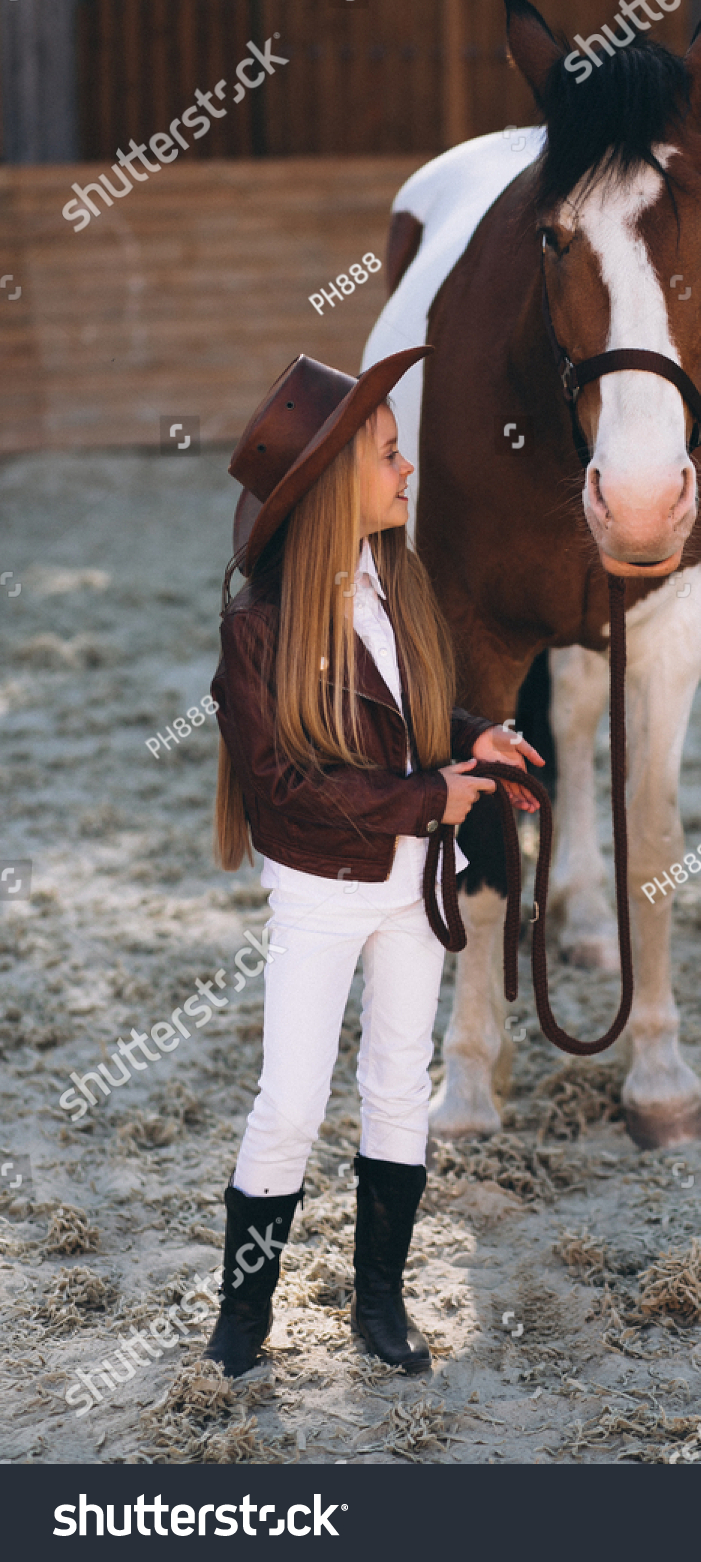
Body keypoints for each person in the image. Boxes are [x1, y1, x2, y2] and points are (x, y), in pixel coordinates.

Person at [206, 346, 542, 1377]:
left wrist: (473, 736)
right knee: (292, 1102)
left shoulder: (399, 590)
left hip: (414, 888)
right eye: (388, 455)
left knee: (399, 1086)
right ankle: (242, 1309)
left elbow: (405, 718)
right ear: (328, 486)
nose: (407, 472)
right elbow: (286, 795)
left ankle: (379, 1302)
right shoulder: (256, 632)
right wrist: (425, 798)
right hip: (320, 897)